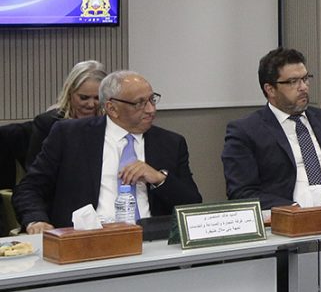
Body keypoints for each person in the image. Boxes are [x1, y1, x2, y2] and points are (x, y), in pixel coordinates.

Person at [15, 70, 201, 232]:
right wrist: (36, 220)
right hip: (85, 241)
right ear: (112, 108)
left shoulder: (171, 143)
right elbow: (29, 188)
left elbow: (193, 204)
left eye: (152, 100)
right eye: (139, 103)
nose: (151, 109)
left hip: (152, 242)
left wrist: (159, 179)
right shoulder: (69, 136)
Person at [221, 48, 321, 209]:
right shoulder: (245, 131)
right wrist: (293, 210)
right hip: (290, 218)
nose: (303, 87)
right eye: (293, 81)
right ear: (270, 89)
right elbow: (241, 193)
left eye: (305, 78)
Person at [25, 60, 106, 167]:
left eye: (97, 98)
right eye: (83, 98)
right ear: (69, 92)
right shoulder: (47, 123)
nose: (91, 104)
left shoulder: (111, 122)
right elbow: (35, 169)